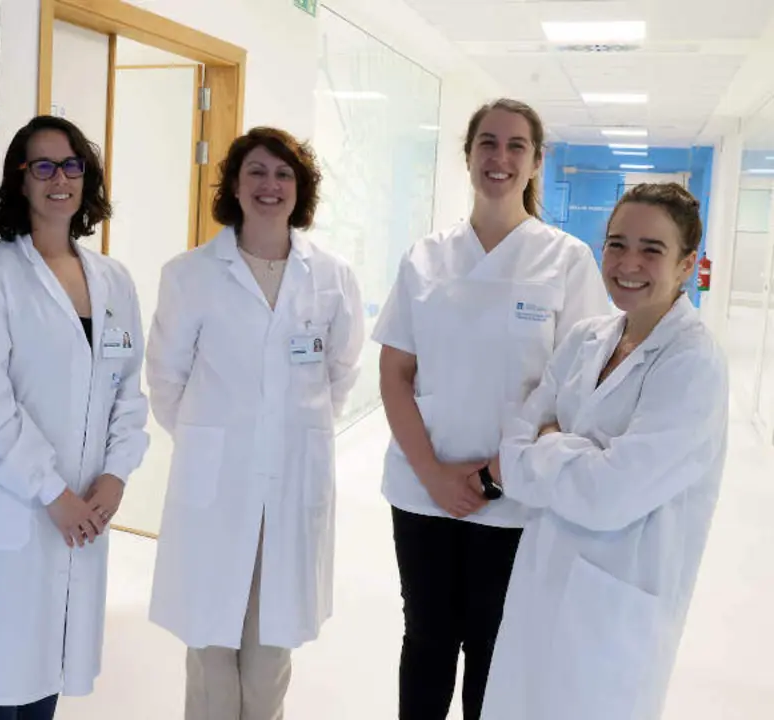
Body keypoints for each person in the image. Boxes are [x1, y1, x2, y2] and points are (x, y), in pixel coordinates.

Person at [371, 98, 612, 720]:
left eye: (515, 146)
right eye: (487, 143)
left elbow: (576, 392)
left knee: (493, 647)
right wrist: (433, 475)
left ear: (535, 161)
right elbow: (395, 373)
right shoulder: (426, 257)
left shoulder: (566, 260)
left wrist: (491, 476)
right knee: (426, 638)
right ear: (469, 154)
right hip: (423, 490)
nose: (499, 158)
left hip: (516, 497)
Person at [482, 183, 728, 720]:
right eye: (617, 244)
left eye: (651, 249)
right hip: (543, 578)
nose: (627, 263)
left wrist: (549, 441)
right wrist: (578, 453)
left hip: (616, 608)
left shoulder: (693, 364)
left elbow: (609, 495)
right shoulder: (586, 339)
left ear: (687, 265)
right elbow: (512, 449)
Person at [146, 127, 366, 719]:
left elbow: (341, 370)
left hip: (292, 480)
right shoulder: (190, 273)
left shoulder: (332, 275)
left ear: (301, 189)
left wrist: (291, 436)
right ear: (235, 187)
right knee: (211, 645)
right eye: (257, 173)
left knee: (270, 653)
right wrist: (215, 443)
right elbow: (165, 379)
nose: (271, 185)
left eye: (284, 174)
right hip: (216, 483)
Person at [0, 115, 151, 719]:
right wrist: (53, 492)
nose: (59, 179)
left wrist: (116, 475)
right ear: (20, 181)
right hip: (20, 505)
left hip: (86, 509)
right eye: (42, 166)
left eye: (71, 165)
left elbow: (129, 393)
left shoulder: (114, 280)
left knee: (49, 675)